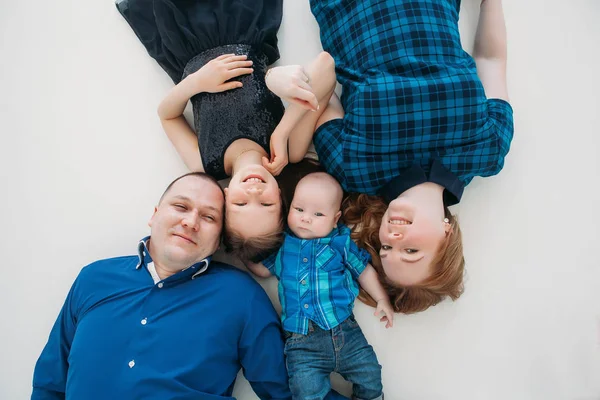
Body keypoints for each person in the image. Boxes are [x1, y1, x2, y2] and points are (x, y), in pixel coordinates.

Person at [264, 0, 513, 314]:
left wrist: (276, 81)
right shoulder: (488, 149)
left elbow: (319, 96)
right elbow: (490, 61)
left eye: (386, 248)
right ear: (446, 234)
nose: (393, 237)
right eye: (410, 250)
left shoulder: (353, 170)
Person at [31, 172, 292, 400]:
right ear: (154, 215)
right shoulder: (93, 279)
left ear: (217, 240)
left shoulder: (241, 296)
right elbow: (49, 384)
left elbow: (291, 390)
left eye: (209, 217)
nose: (190, 222)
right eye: (180, 206)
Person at [116, 0, 335, 262]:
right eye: (266, 204)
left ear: (225, 197)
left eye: (240, 204)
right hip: (241, 24)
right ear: (280, 197)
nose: (254, 193)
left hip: (188, 41)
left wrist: (196, 82)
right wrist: (282, 131)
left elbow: (167, 115)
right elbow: (326, 66)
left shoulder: (206, 163)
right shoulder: (290, 150)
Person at [247, 172, 394, 400]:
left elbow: (363, 270)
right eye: (299, 209)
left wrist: (382, 299)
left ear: (335, 219)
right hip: (301, 342)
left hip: (345, 332)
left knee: (370, 373)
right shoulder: (283, 246)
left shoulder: (340, 243)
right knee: (304, 389)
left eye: (318, 214)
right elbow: (262, 270)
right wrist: (241, 255)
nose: (306, 218)